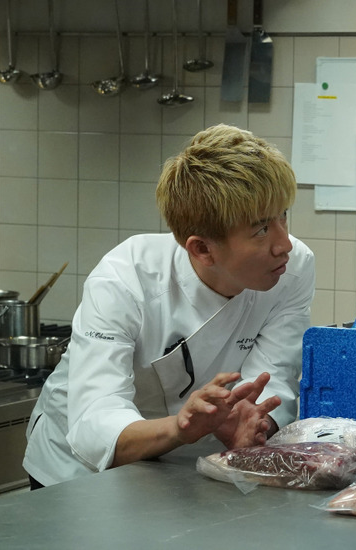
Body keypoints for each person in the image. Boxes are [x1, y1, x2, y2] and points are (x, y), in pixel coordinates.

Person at [23, 124, 315, 488]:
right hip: (74, 470)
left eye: (283, 215)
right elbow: (96, 421)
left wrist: (254, 419)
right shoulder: (125, 279)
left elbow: (275, 372)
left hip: (185, 462)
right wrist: (179, 427)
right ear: (202, 249)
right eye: (260, 230)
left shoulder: (294, 267)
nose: (284, 244)